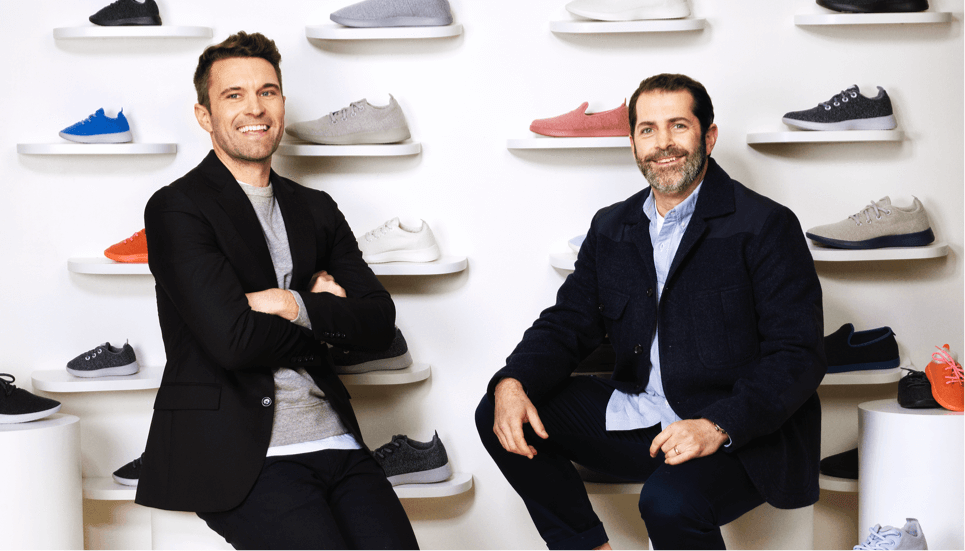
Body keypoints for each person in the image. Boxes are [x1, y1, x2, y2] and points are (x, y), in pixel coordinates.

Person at [475, 74, 826, 551]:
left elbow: (797, 354)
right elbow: (567, 322)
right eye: (647, 130)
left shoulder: (766, 225)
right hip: (642, 418)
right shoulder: (612, 226)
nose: (663, 143)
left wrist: (716, 426)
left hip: (735, 434)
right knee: (500, 410)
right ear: (633, 143)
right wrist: (513, 381)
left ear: (709, 136)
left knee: (668, 502)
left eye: (678, 126)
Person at [134, 31, 420, 551]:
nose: (255, 108)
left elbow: (380, 324)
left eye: (267, 92)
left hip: (338, 439)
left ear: (282, 104)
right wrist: (324, 317)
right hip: (240, 454)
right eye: (234, 95)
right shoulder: (177, 208)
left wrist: (289, 304)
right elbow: (232, 341)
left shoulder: (316, 207)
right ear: (204, 116)